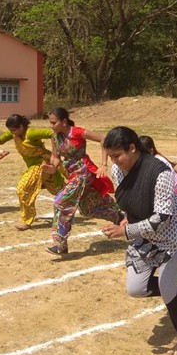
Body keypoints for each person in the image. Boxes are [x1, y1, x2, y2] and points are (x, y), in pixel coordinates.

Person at [101, 126, 177, 355]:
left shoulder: (160, 172)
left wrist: (126, 231)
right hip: (143, 234)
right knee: (136, 289)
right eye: (111, 156)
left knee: (167, 291)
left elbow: (162, 218)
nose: (114, 162)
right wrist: (125, 219)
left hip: (172, 236)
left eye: (117, 156)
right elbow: (128, 198)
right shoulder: (118, 169)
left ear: (132, 148)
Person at [44, 107, 122, 255]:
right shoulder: (55, 137)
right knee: (88, 209)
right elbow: (55, 157)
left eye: (54, 122)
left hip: (83, 171)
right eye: (50, 122)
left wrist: (103, 164)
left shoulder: (77, 132)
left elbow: (102, 138)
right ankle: (118, 215)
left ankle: (60, 243)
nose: (51, 125)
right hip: (72, 173)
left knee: (61, 202)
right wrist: (51, 167)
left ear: (64, 122)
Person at [0, 114, 65, 231]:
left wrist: (55, 154)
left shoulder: (31, 133)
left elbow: (52, 134)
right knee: (59, 190)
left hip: (42, 164)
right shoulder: (14, 133)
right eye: (10, 130)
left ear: (21, 127)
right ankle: (80, 198)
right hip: (35, 167)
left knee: (23, 188)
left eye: (14, 130)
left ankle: (27, 220)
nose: (12, 133)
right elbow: (0, 141)